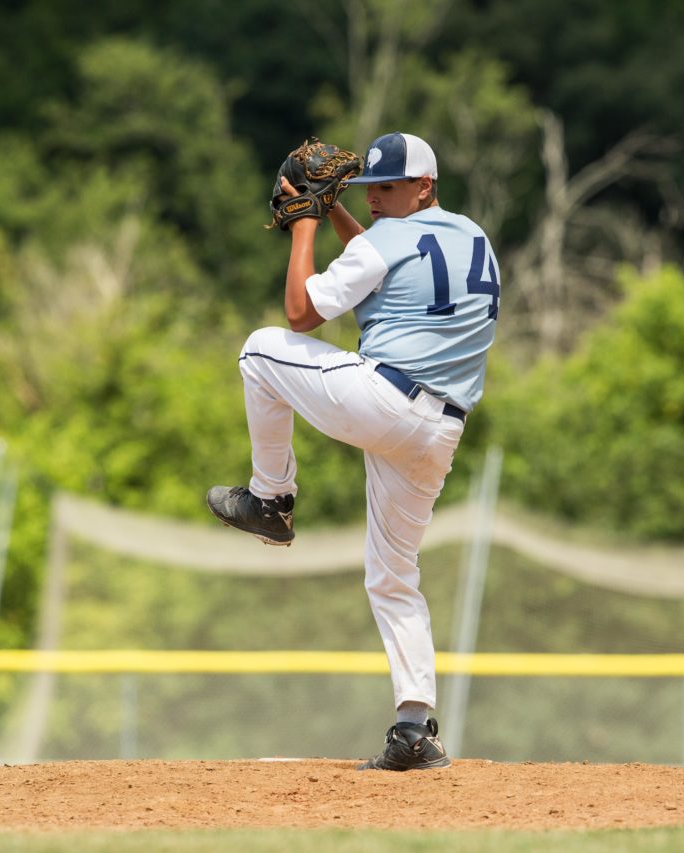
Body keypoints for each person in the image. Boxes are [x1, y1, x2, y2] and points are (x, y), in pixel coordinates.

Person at [206, 131, 500, 771]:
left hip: (387, 401)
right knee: (394, 574)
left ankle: (270, 499)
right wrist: (335, 206)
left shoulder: (390, 238)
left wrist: (306, 222)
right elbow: (382, 257)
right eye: (367, 190)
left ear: (425, 185)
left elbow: (301, 313)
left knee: (260, 350)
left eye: (388, 188)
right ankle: (413, 730)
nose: (374, 200)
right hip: (440, 431)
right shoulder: (472, 235)